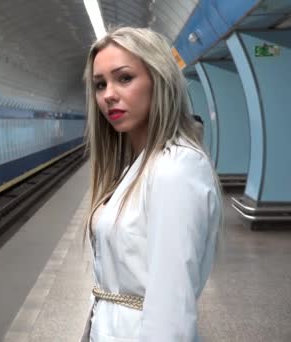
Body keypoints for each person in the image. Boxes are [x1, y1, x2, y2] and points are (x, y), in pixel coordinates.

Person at [80, 27, 223, 341]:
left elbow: (171, 306)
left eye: (125, 78)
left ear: (159, 80)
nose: (108, 95)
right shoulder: (139, 163)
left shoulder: (176, 169)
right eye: (100, 84)